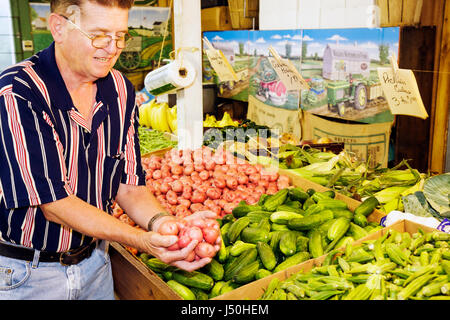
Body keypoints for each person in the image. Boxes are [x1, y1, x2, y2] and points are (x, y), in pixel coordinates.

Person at [0, 0, 219, 300]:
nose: (112, 48)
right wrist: (141, 239)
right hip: (30, 275)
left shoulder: (120, 90)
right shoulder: (18, 93)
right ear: (58, 27)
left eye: (120, 36)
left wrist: (163, 223)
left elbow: (129, 187)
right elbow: (53, 203)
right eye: (99, 35)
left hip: (95, 264)